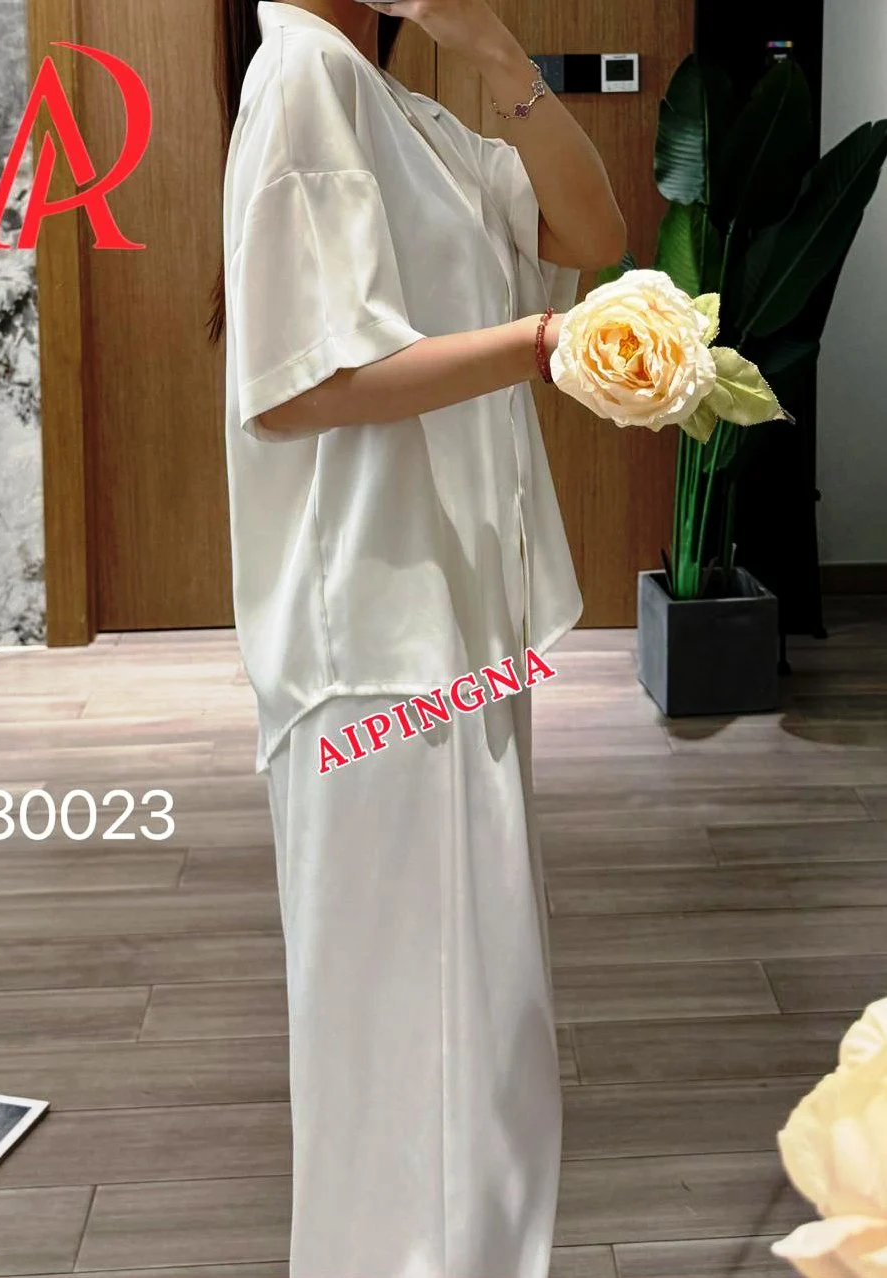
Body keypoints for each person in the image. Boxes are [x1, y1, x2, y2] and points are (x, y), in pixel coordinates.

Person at [208, 1, 625, 1273]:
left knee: (475, 1040)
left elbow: (592, 234)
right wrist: (543, 345)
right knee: (416, 1059)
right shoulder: (302, 73)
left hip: (449, 629)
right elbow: (299, 385)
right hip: (378, 650)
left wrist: (489, 46)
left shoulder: (401, 107)